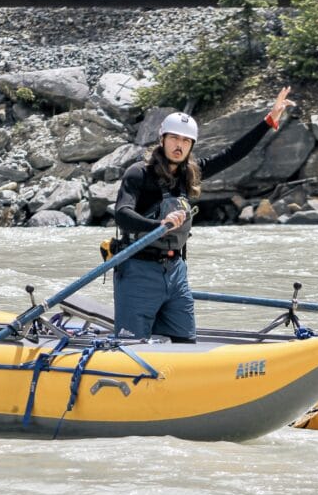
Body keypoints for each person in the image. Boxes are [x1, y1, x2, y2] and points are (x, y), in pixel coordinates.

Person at [112, 86, 295, 342]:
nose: (179, 145)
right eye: (174, 138)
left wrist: (269, 120)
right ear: (162, 139)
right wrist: (158, 223)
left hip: (175, 272)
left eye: (186, 141)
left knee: (185, 342)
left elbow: (233, 154)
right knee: (132, 345)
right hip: (138, 272)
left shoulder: (191, 174)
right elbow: (122, 214)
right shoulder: (139, 174)